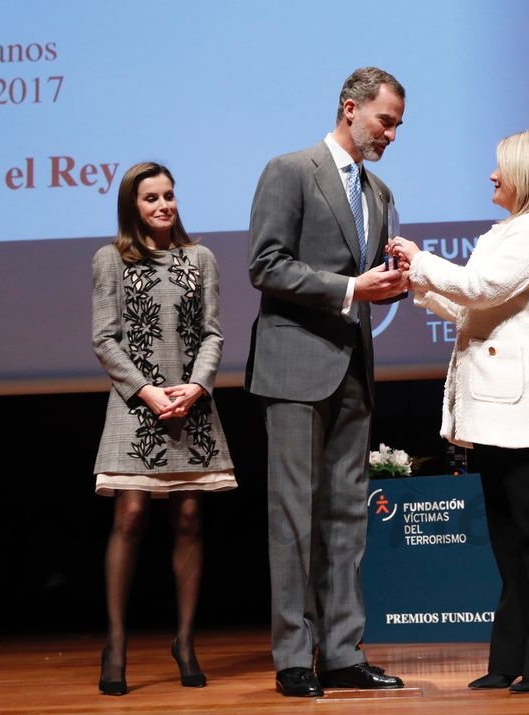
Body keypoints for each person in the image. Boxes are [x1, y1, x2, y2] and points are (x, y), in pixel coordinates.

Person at [390, 128, 529, 694]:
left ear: (528, 174)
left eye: (502, 167)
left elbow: (483, 287)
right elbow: (475, 308)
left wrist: (423, 260)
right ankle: (512, 657)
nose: (493, 176)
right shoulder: (509, 229)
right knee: (508, 534)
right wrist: (419, 282)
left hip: (521, 402)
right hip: (495, 404)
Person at [245, 66, 410, 698]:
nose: (392, 134)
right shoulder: (290, 170)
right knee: (292, 518)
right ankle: (293, 655)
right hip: (294, 366)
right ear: (350, 108)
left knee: (347, 518)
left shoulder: (380, 193)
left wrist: (390, 278)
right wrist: (349, 288)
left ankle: (342, 653)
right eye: (385, 121)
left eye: (397, 124)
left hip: (352, 368)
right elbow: (265, 264)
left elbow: (366, 281)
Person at [91, 161, 237, 696]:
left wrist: (196, 387)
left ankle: (184, 640)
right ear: (133, 206)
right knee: (129, 514)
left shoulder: (200, 259)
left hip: (189, 406)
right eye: (151, 197)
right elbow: (105, 339)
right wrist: (148, 392)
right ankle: (116, 641)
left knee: (190, 519)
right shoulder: (111, 259)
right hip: (136, 405)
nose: (163, 205)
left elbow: (214, 334)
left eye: (169, 195)